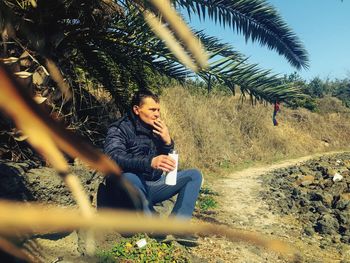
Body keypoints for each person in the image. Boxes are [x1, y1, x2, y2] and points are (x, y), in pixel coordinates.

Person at [103, 89, 202, 220]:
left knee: (194, 175)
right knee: (129, 177)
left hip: (153, 186)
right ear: (137, 110)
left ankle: (179, 226)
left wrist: (167, 142)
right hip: (129, 188)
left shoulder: (157, 129)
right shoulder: (119, 128)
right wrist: (150, 162)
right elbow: (113, 157)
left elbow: (164, 159)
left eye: (158, 110)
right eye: (152, 110)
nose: (157, 114)